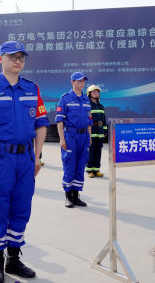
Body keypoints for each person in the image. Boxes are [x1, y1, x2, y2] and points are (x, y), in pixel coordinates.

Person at [0, 41, 49, 283]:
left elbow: (41, 125)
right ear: (0, 59)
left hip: (25, 160)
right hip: (0, 159)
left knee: (21, 208)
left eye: (21, 57)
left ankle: (13, 259)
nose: (18, 61)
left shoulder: (31, 89)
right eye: (12, 56)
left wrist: (37, 157)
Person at [56, 72, 92, 208]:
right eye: (79, 81)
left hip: (84, 137)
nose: (82, 83)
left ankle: (76, 196)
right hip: (70, 136)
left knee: (80, 165)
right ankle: (68, 196)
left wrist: (89, 136)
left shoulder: (86, 99)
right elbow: (60, 121)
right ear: (72, 82)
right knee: (69, 165)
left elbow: (89, 120)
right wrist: (61, 139)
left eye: (83, 81)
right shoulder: (65, 98)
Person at [85, 84, 106, 178]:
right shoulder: (87, 105)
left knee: (98, 151)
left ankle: (96, 169)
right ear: (89, 94)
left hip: (100, 131)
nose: (96, 93)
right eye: (94, 91)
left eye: (97, 92)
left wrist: (104, 131)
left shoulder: (101, 106)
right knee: (91, 151)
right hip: (91, 131)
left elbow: (104, 120)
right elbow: (85, 119)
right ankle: (89, 170)